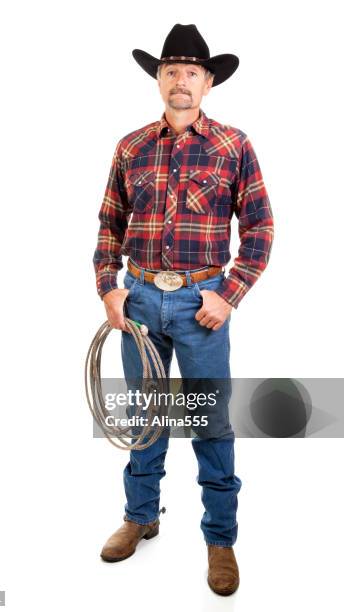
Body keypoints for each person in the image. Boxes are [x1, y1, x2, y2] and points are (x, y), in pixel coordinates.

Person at [92, 23, 274, 596]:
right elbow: (108, 225)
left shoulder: (233, 145)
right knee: (146, 417)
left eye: (191, 72)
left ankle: (221, 540)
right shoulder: (131, 147)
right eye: (170, 71)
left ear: (208, 82)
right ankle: (140, 516)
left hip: (202, 303)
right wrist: (109, 287)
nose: (180, 81)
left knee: (210, 422)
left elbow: (262, 227)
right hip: (140, 300)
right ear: (158, 79)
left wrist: (229, 293)